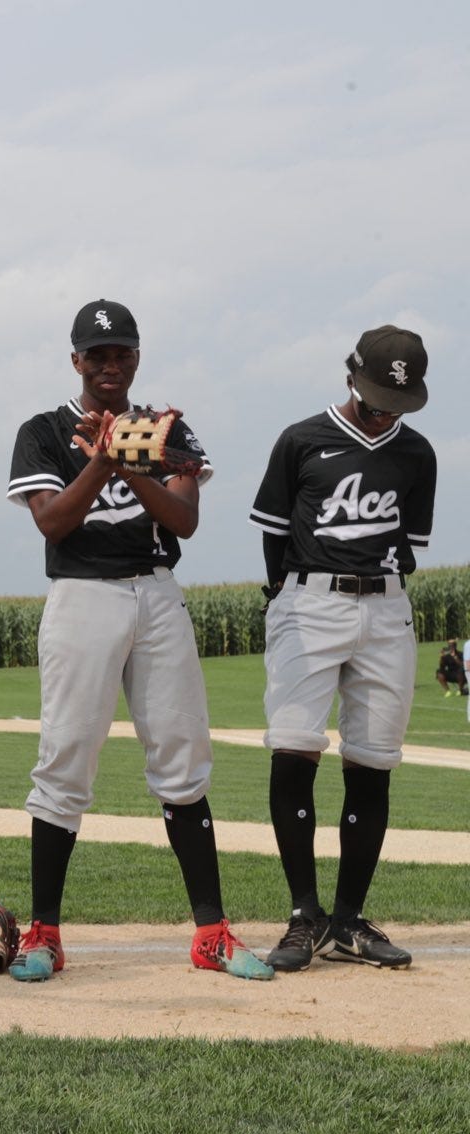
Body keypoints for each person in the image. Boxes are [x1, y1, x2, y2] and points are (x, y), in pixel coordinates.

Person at [3, 299, 270, 981]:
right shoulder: (42, 430)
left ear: (137, 357)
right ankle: (44, 934)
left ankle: (211, 932)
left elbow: (182, 520)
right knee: (64, 761)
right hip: (81, 595)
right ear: (76, 362)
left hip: (154, 592)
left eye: (122, 352)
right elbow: (54, 524)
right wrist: (99, 461)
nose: (110, 364)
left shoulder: (168, 428)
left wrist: (131, 462)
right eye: (98, 355)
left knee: (183, 758)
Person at [250, 324, 435, 972]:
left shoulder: (417, 455)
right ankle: (305, 916)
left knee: (373, 760)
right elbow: (274, 533)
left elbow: (411, 542)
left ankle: (351, 921)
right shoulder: (302, 439)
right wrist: (285, 596)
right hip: (310, 599)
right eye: (377, 394)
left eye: (398, 401)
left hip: (387, 607)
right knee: (294, 747)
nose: (385, 410)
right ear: (350, 376)